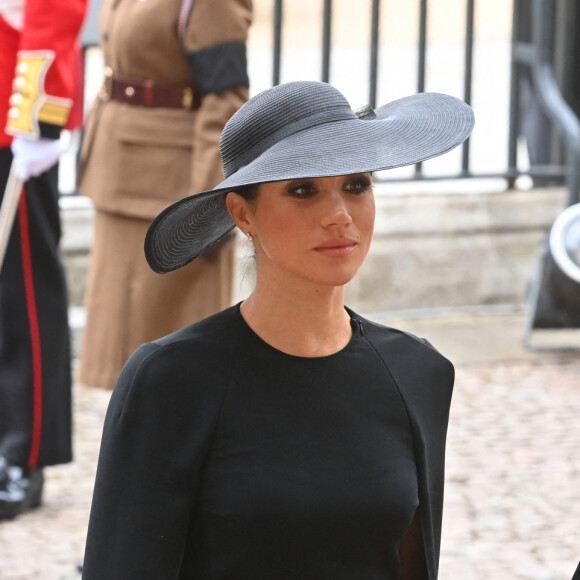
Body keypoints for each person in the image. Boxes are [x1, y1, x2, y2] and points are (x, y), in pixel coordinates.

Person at [81, 80, 474, 579]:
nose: (338, 216)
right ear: (243, 214)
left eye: (357, 184)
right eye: (303, 189)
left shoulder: (419, 372)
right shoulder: (172, 380)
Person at [77, 0, 253, 391]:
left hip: (171, 195)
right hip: (121, 174)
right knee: (121, 351)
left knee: (174, 364)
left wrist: (206, 208)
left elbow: (226, 99)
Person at [0, 0, 86, 519]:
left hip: (11, 116)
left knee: (21, 297)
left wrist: (41, 114)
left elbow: (52, 9)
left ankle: (21, 452)